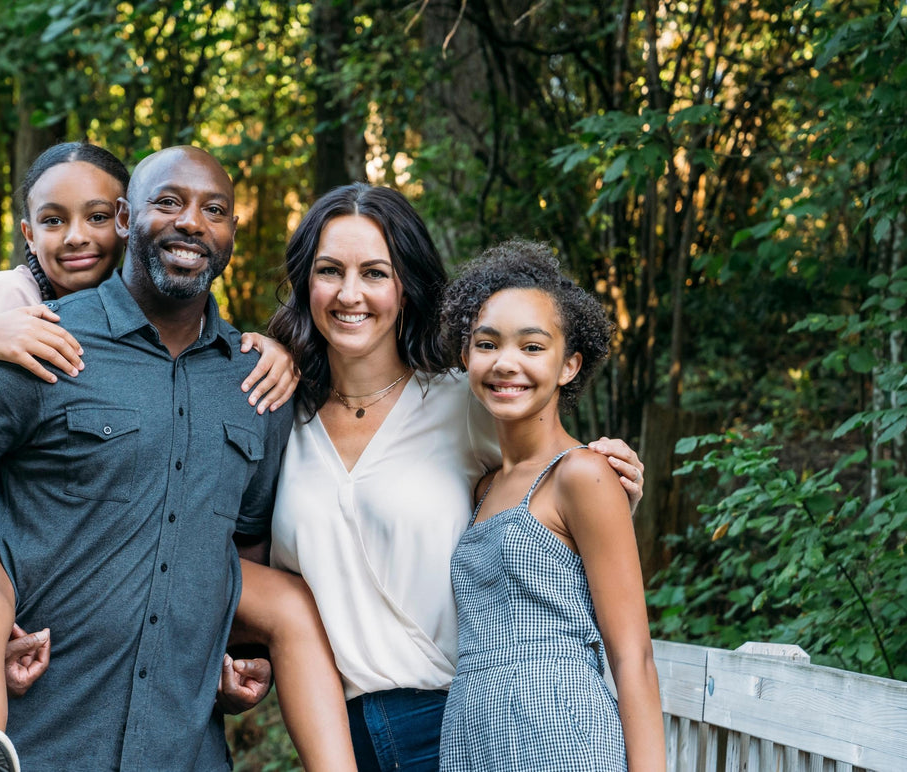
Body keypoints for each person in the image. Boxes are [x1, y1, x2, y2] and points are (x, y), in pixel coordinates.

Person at [0, 146, 352, 772]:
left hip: (186, 751)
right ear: (126, 219)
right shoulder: (41, 342)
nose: (191, 223)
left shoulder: (256, 384)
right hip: (42, 745)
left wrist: (233, 656)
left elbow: (243, 546)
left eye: (215, 210)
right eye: (169, 203)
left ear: (233, 231)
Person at [262, 184, 646, 772]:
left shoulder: (463, 402)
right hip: (338, 735)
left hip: (466, 725)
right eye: (329, 270)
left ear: (406, 285)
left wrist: (615, 488)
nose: (349, 293)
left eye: (375, 273)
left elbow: (549, 483)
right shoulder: (277, 416)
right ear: (305, 283)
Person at [436, 241, 664, 771]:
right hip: (473, 740)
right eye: (487, 344)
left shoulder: (582, 474)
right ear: (468, 356)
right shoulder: (484, 487)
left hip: (562, 738)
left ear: (569, 364)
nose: (506, 363)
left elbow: (634, 657)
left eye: (533, 347)